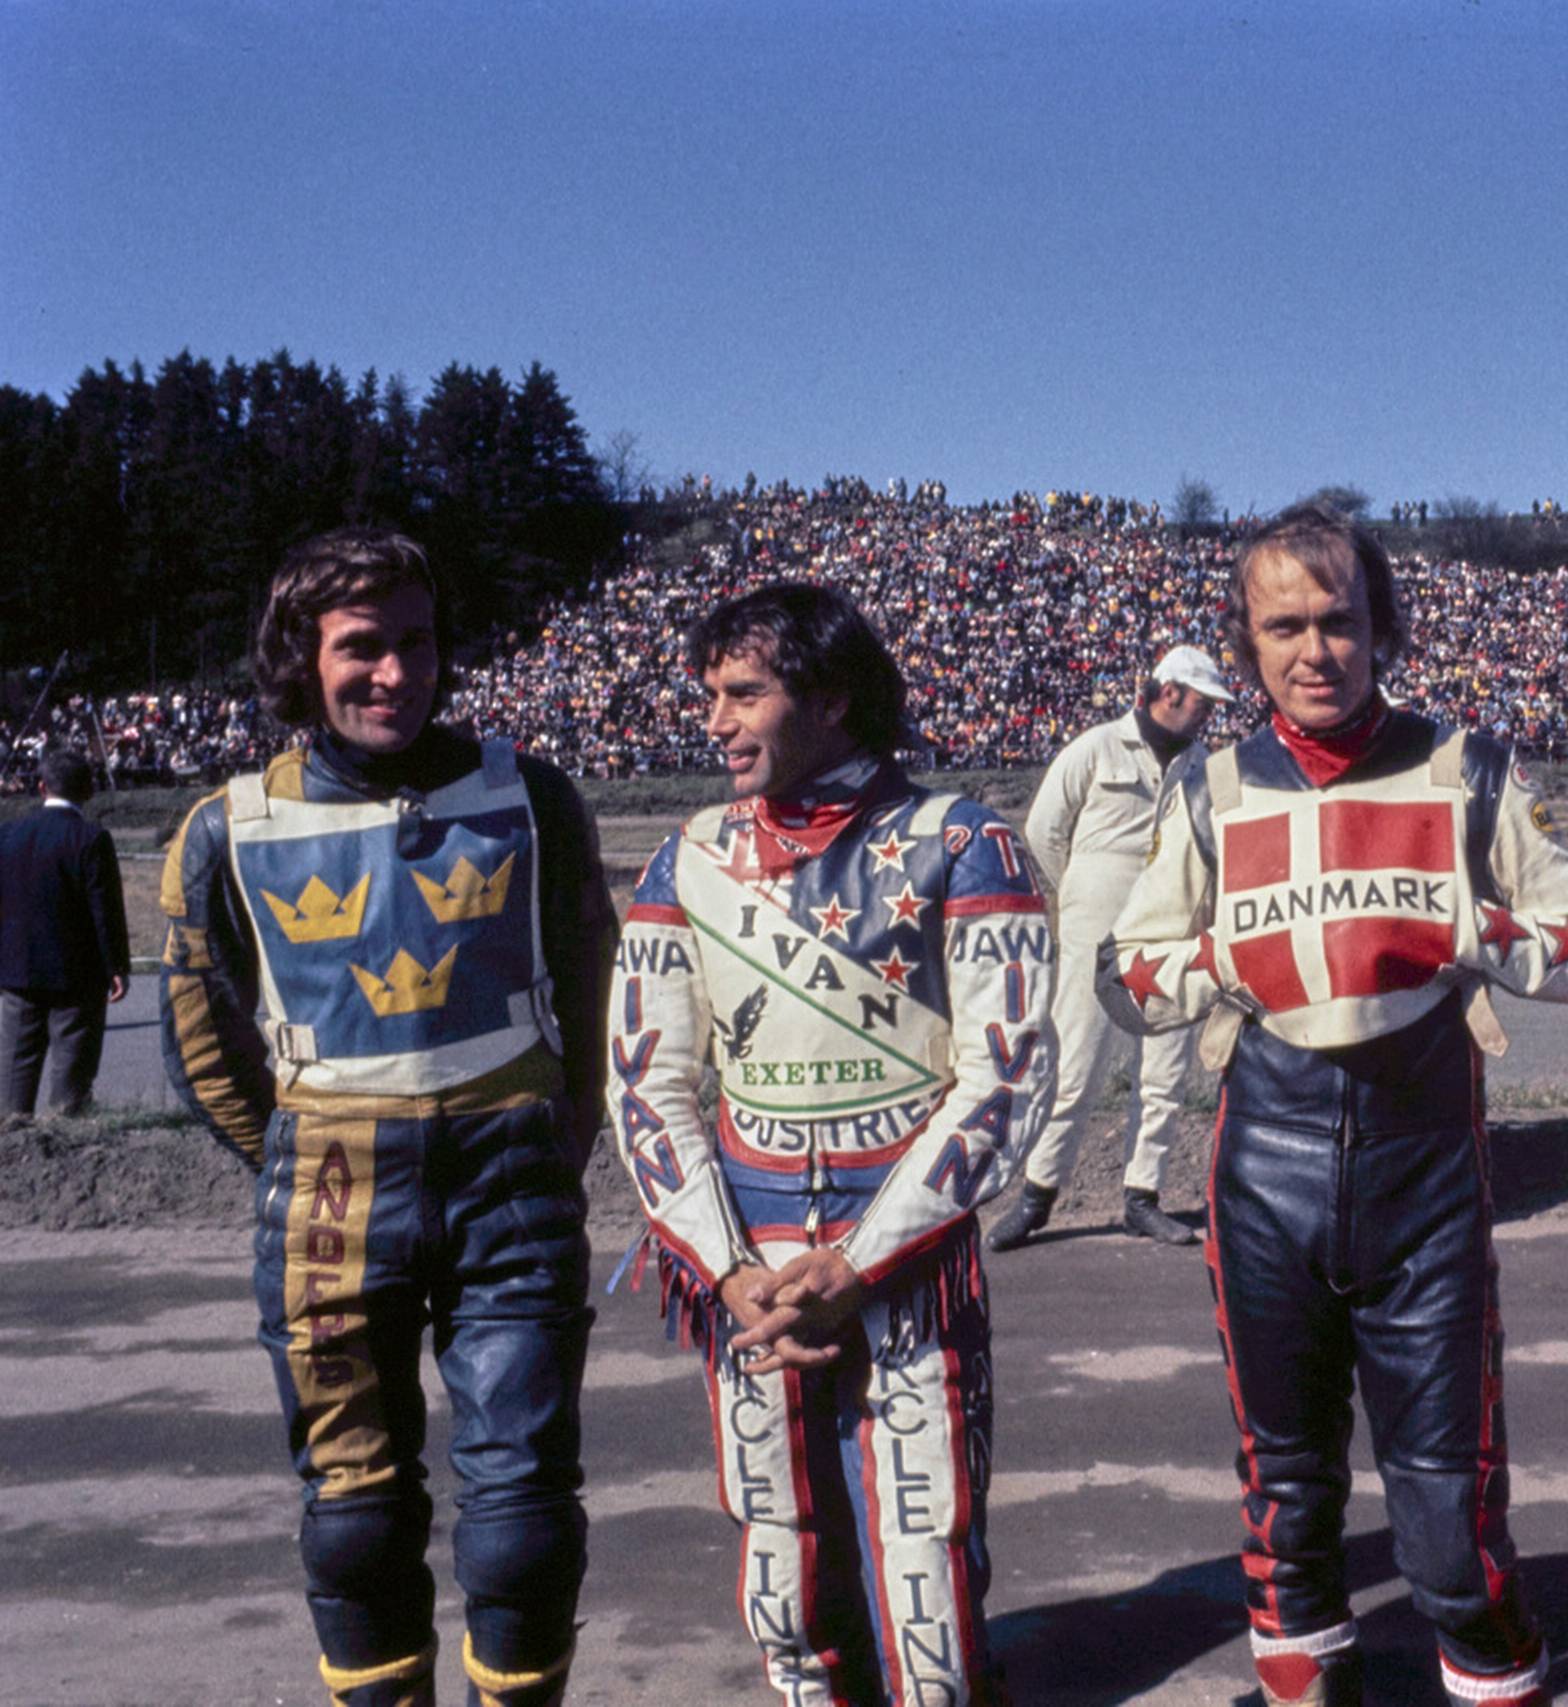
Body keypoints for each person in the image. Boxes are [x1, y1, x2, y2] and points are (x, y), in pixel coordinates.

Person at [1097, 504, 1568, 1707]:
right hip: (1264, 1174)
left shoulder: (1468, 766)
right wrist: (1223, 960)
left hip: (1425, 1175)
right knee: (1285, 1517)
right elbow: (1125, 979)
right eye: (1282, 625)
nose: (1314, 649)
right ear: (1246, 644)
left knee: (1449, 1534)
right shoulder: (1212, 789)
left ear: (1380, 625)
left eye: (1339, 620)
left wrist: (1477, 932)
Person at [160, 528, 614, 1707]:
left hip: (512, 1184)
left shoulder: (529, 794)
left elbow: (592, 971)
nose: (396, 675)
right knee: (354, 1520)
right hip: (329, 1192)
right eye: (362, 648)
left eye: (417, 643)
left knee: (522, 1524)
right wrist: (295, 1148)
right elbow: (201, 1028)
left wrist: (566, 1136)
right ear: (297, 660)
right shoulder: (229, 826)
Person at [610, 581, 1053, 1705]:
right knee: (779, 1548)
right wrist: (732, 1273)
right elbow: (645, 1084)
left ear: (834, 698)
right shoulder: (686, 858)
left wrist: (859, 1265)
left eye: (743, 693)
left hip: (906, 1274)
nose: (714, 722)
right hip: (748, 1273)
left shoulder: (968, 842)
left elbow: (1006, 1079)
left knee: (928, 1565)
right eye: (710, 694)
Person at [990, 643, 1232, 1251]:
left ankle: (1142, 1197)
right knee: (1076, 1064)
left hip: (1171, 932)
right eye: (1202, 702)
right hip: (1094, 930)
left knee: (1165, 1070)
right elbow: (1044, 829)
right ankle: (1037, 1196)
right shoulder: (1096, 748)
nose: (1209, 716)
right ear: (1169, 692)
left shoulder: (1203, 765)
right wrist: (1082, 892)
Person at [0, 748, 129, 1116]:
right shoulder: (91, 839)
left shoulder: (8, 833)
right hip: (78, 973)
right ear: (88, 790)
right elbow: (105, 911)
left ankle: (11, 1139)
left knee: (15, 1067)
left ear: (41, 787)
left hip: (18, 969)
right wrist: (116, 965)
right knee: (72, 1071)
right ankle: (67, 1131)